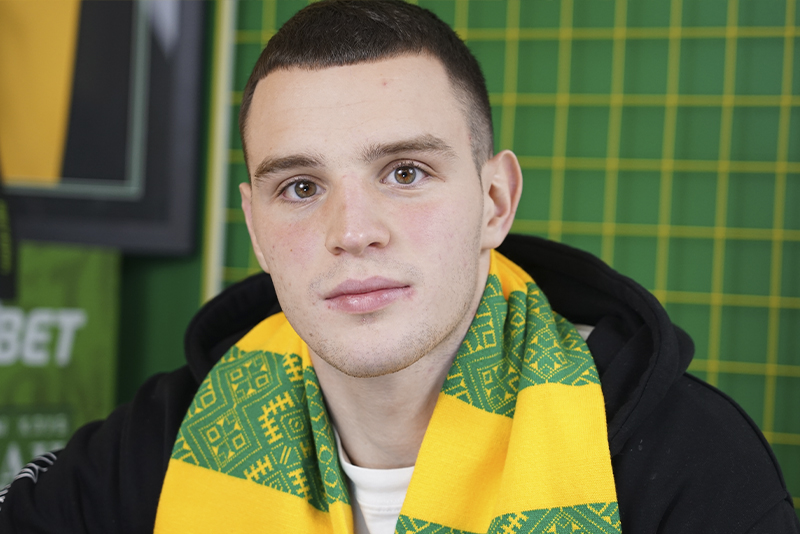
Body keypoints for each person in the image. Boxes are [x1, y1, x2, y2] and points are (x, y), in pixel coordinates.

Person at [1, 1, 798, 532]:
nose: (353, 232)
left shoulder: (685, 458)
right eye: (301, 187)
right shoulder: (165, 437)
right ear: (255, 227)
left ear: (495, 202)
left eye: (406, 172)